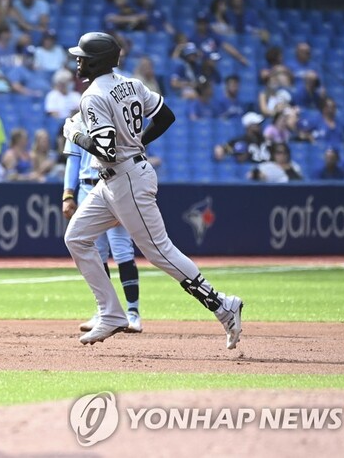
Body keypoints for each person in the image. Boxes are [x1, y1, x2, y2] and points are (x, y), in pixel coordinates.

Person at [62, 31, 243, 348]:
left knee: (160, 252)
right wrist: (137, 143)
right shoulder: (131, 84)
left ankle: (222, 305)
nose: (78, 61)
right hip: (118, 178)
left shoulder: (92, 96)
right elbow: (165, 117)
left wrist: (74, 134)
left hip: (126, 179)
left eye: (83, 57)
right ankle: (111, 313)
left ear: (96, 61)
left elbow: (105, 150)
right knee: (76, 237)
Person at [62, 115, 142, 333]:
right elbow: (73, 160)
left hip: (114, 183)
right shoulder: (76, 120)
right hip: (86, 187)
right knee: (96, 253)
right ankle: (105, 311)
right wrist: (68, 194)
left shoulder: (114, 114)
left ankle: (133, 313)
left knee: (122, 250)